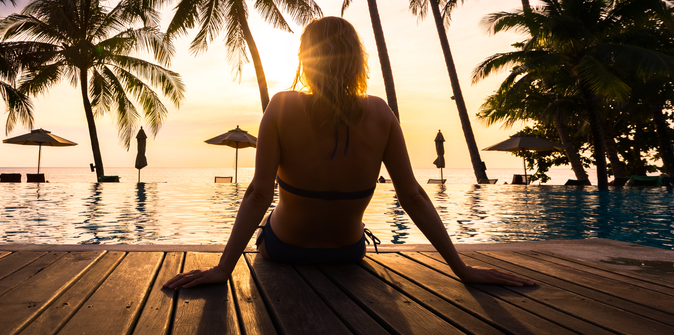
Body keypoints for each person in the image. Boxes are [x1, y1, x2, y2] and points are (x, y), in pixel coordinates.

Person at [164, 17, 535, 289]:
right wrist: (462, 269)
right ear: (357, 60)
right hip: (348, 251)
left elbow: (259, 193)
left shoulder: (280, 106)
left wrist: (223, 269)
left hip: (285, 248)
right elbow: (414, 196)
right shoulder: (381, 112)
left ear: (306, 60)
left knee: (273, 214)